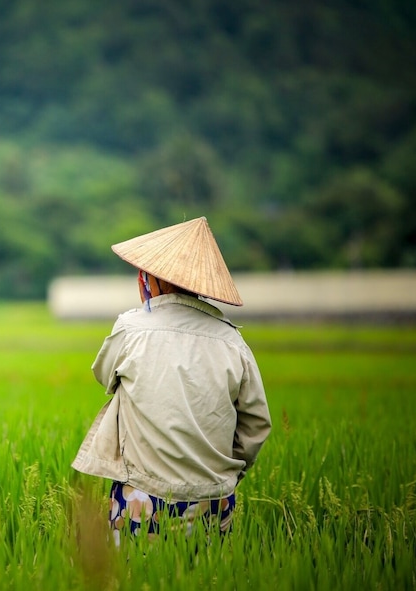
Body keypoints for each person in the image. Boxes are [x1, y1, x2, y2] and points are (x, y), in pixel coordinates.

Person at [71, 216, 271, 546]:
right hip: (214, 498)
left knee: (136, 576)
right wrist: (225, 473)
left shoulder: (132, 328)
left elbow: (103, 376)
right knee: (208, 578)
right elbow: (256, 424)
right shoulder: (232, 341)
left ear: (153, 279)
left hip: (142, 496)